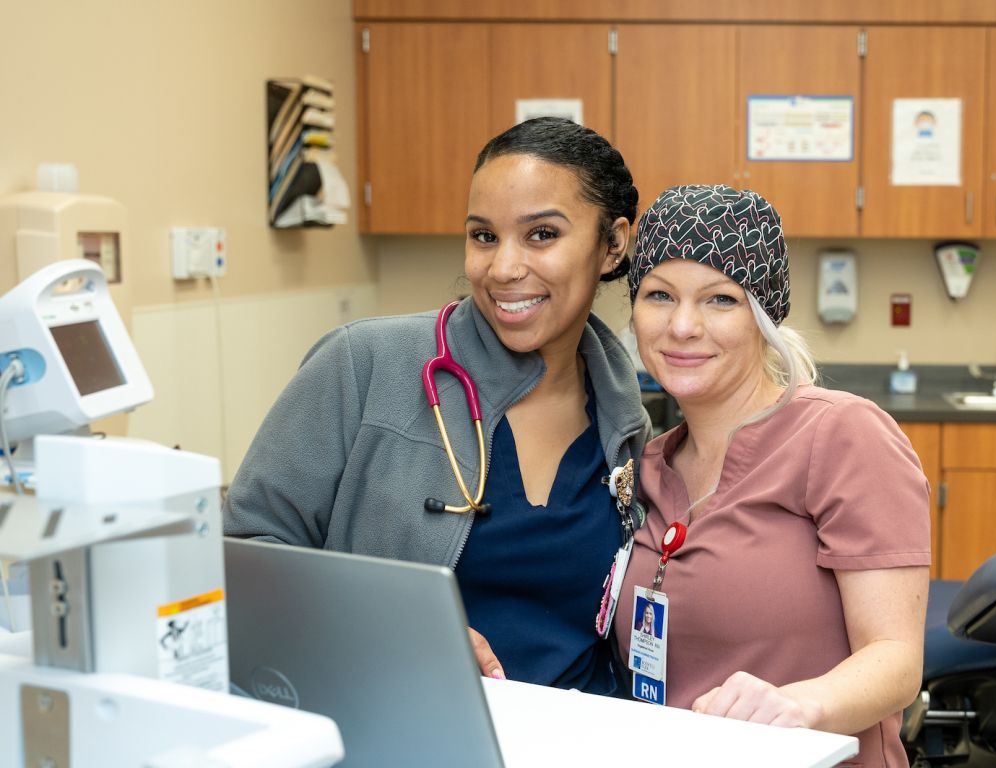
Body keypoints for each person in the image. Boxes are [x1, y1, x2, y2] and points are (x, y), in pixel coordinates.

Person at [224, 117, 649, 697]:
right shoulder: (364, 364)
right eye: (483, 236)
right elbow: (241, 555)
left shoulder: (624, 419)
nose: (502, 268)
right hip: (400, 725)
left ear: (613, 244)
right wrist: (392, 627)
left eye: (541, 234)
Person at [614, 185, 930, 766]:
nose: (682, 326)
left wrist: (799, 707)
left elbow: (896, 661)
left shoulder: (842, 435)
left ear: (763, 317)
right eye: (659, 295)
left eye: (720, 300)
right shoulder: (650, 466)